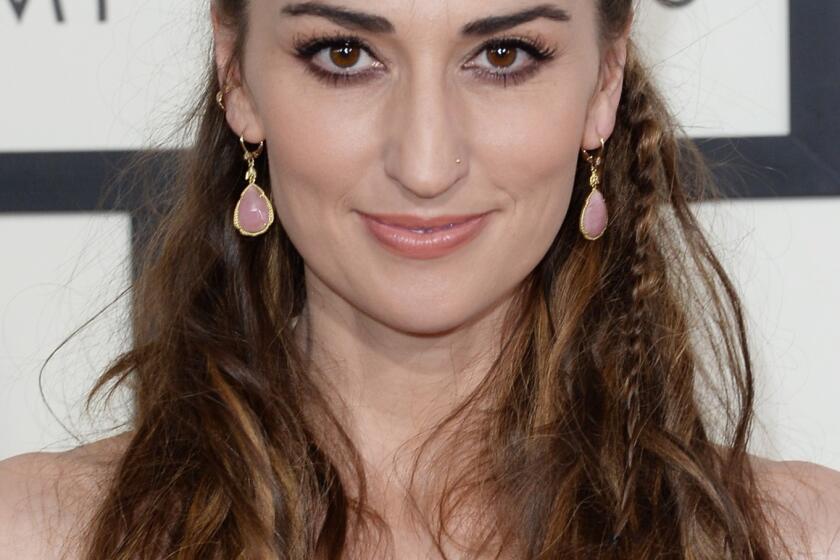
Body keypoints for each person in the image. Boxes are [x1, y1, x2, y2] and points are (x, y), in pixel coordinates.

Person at [2, 0, 839, 558]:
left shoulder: (803, 538)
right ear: (236, 75)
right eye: (345, 54)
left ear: (605, 80)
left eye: (503, 54)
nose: (427, 162)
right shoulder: (39, 534)